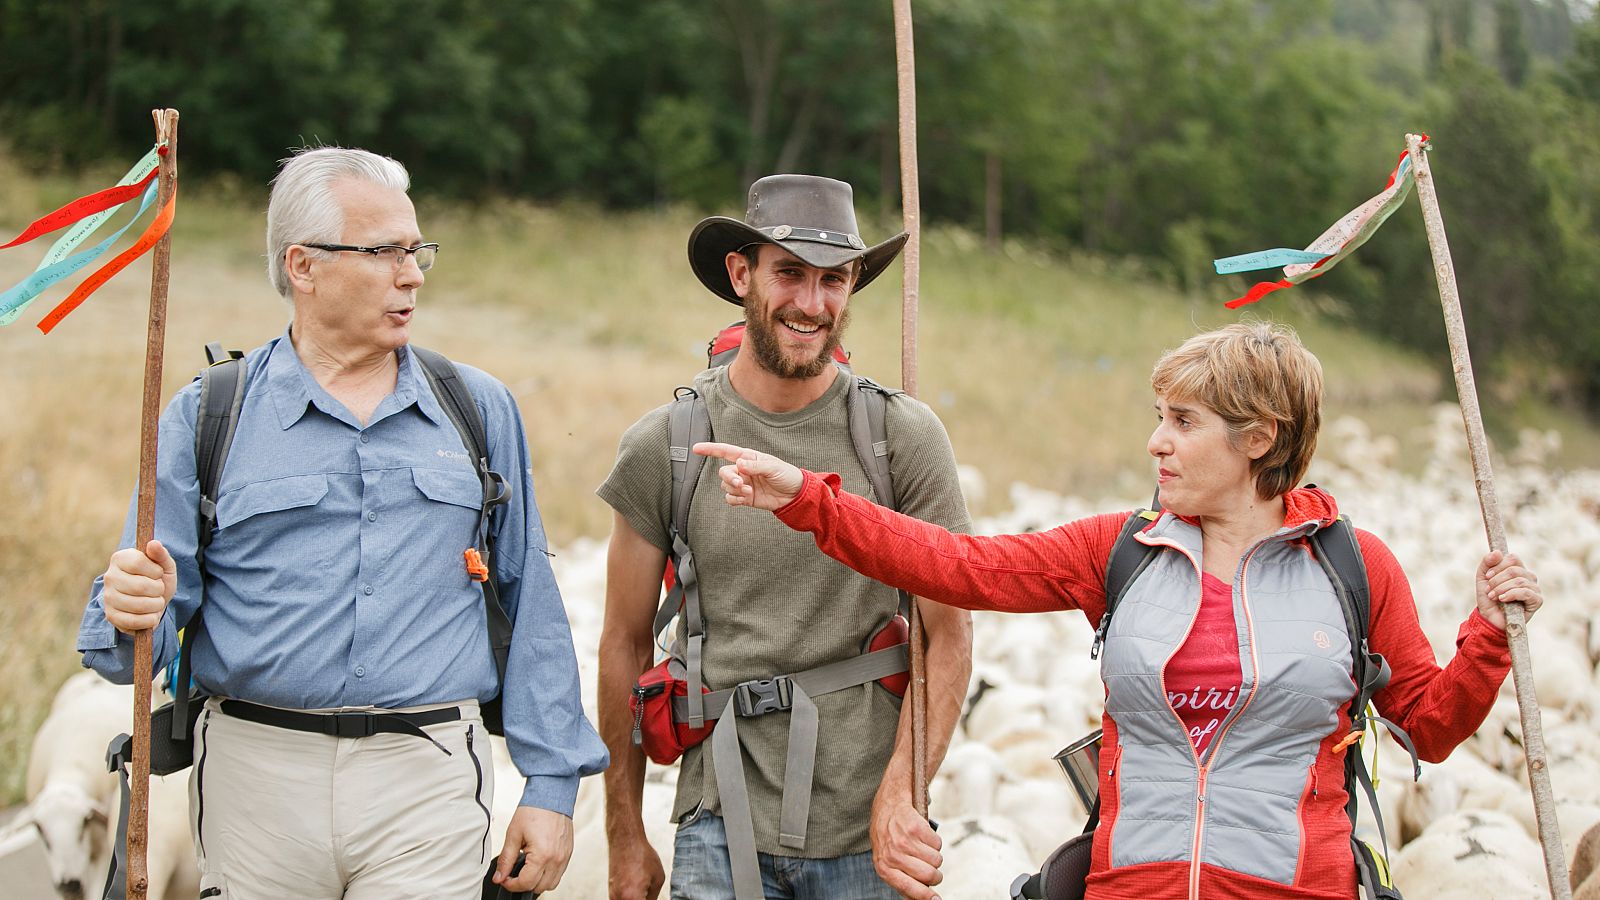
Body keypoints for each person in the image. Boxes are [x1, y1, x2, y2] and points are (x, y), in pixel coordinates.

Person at [698, 321, 1545, 900]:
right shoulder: (1121, 551)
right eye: (1158, 418)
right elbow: (957, 566)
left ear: (1258, 438)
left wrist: (1489, 636)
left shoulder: (1353, 568)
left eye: (1184, 422)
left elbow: (1429, 729)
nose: (1156, 443)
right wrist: (808, 498)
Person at [78, 147, 607, 899]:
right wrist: (128, 610)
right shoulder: (208, 417)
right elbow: (144, 632)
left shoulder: (477, 409)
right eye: (385, 251)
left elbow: (532, 605)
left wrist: (552, 786)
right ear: (303, 266)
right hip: (254, 781)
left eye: (416, 250)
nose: (413, 273)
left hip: (427, 774)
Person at [597, 174, 974, 900]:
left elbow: (948, 635)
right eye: (790, 274)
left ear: (855, 283)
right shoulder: (666, 445)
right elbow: (622, 643)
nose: (811, 303)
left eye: (833, 279)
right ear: (742, 274)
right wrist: (623, 832)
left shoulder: (900, 437)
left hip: (869, 825)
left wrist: (905, 790)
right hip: (719, 815)